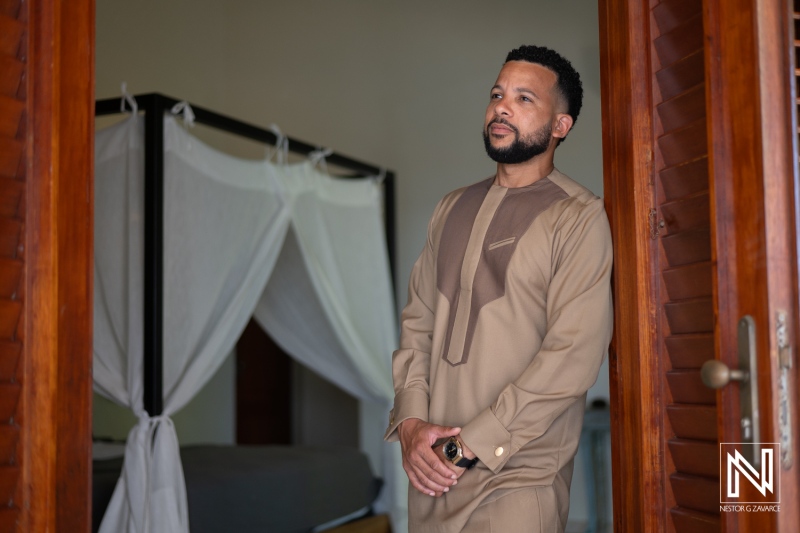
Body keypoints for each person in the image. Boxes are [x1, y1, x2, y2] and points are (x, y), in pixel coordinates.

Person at [383, 45, 613, 532]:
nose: (501, 106)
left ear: (560, 126)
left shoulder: (578, 218)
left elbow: (572, 356)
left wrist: (468, 446)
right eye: (496, 94)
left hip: (517, 479)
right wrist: (410, 425)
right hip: (432, 479)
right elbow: (417, 325)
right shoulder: (450, 207)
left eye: (524, 98)